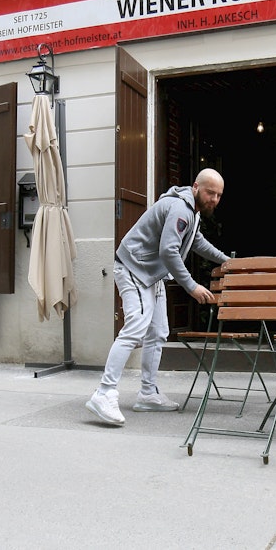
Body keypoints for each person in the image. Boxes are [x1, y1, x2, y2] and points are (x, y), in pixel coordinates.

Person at [86, 168, 229, 426]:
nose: (214, 200)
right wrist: (192, 286)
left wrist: (227, 262)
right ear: (196, 186)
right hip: (134, 268)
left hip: (151, 274)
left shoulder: (191, 212)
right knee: (135, 330)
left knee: (158, 332)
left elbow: (196, 242)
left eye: (219, 195)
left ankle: (148, 394)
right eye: (210, 193)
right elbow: (169, 251)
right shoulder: (181, 209)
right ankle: (104, 393)